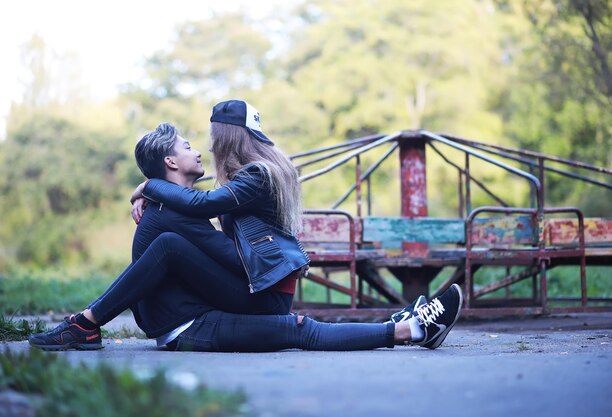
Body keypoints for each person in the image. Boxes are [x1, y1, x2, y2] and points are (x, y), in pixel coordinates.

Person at [29, 99, 463, 352]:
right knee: (298, 329)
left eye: (205, 139)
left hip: (243, 299)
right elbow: (190, 241)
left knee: (171, 248)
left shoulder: (248, 179)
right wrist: (152, 191)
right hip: (202, 317)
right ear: (171, 162)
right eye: (187, 145)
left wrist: (148, 187)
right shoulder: (191, 202)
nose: (201, 148)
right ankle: (411, 327)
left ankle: (85, 322)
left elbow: (204, 214)